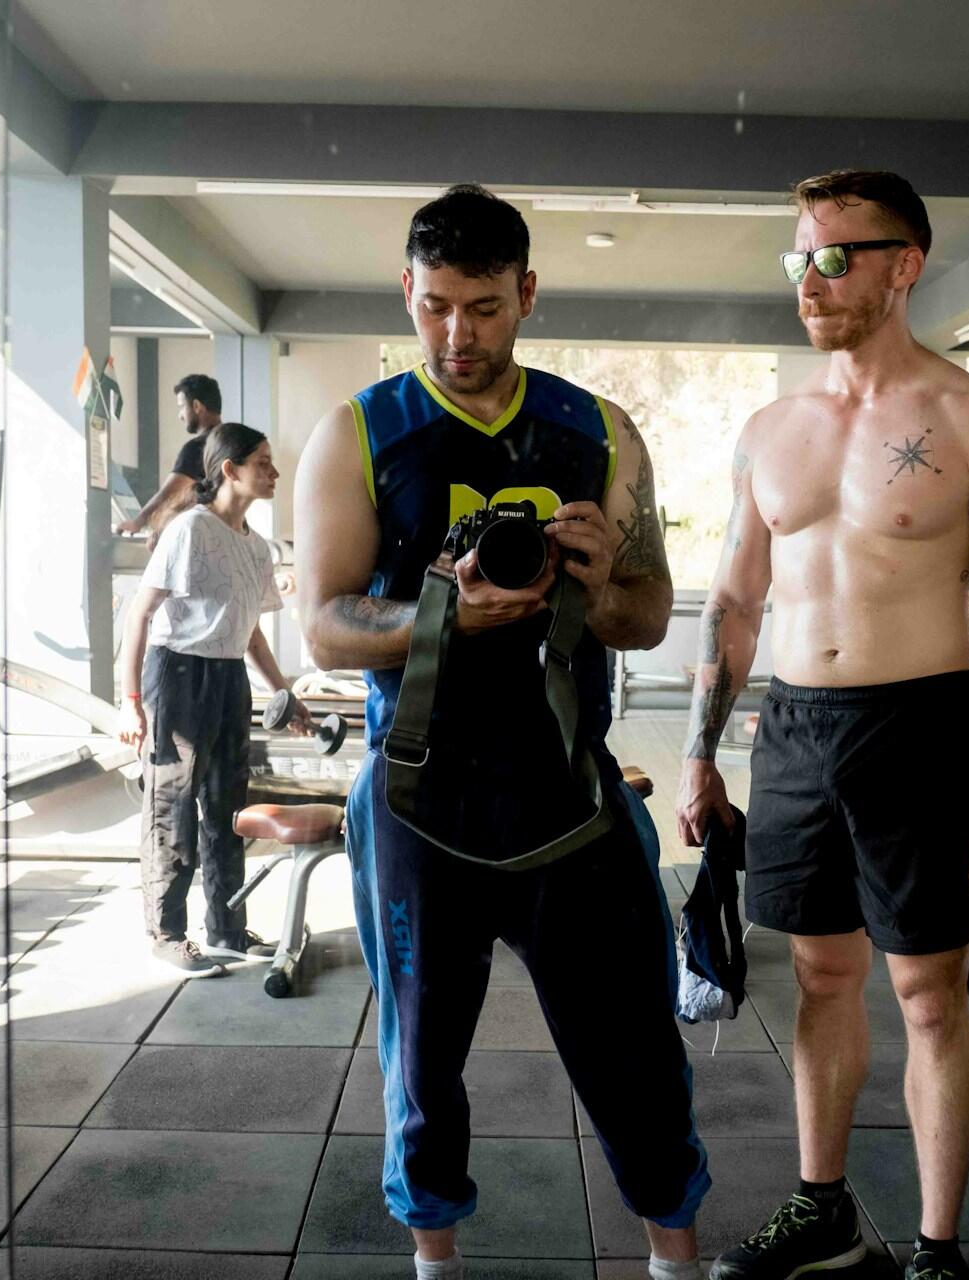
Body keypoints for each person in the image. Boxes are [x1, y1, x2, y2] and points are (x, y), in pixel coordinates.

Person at [293, 184, 709, 1280]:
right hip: (420, 794)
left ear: (526, 293)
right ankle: (438, 1264)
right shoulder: (359, 432)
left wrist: (597, 580)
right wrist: (445, 608)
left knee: (635, 1051)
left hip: (567, 784)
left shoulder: (601, 430)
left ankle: (676, 1260)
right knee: (422, 1058)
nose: (457, 335)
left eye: (482, 306)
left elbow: (651, 609)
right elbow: (325, 627)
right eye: (434, 306)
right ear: (407, 291)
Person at [677, 169, 969, 1280]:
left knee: (930, 993)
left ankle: (937, 1247)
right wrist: (703, 750)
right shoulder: (768, 428)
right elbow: (736, 601)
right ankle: (824, 1208)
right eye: (798, 255)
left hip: (922, 726)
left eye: (837, 255)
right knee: (822, 976)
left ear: (906, 265)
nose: (811, 277)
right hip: (794, 727)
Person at [118, 421, 314, 975]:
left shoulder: (256, 549)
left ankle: (226, 926)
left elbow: (251, 633)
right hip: (177, 674)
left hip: (229, 679)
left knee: (229, 807)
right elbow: (140, 614)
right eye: (263, 462)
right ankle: (167, 932)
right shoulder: (189, 530)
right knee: (172, 805)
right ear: (229, 469)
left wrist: (284, 693)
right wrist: (130, 699)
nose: (274, 472)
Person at [117, 373, 225, 536]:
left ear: (196, 406)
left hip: (206, 535)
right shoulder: (231, 442)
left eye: (182, 407)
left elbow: (169, 494)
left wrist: (138, 522)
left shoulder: (198, 447)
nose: (180, 415)